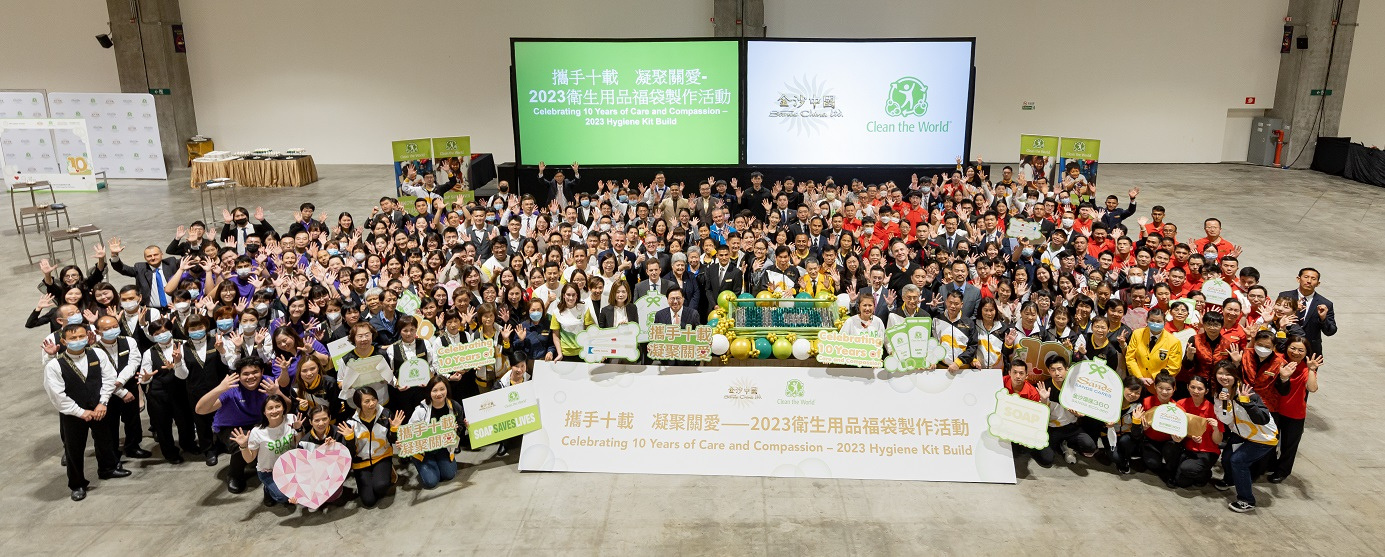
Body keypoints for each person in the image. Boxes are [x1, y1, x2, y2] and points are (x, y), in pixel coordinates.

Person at [44, 323, 128, 501]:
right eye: (73, 338)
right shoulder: (55, 365)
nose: (78, 340)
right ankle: (77, 484)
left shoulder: (97, 353)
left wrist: (103, 403)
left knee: (105, 439)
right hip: (73, 414)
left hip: (99, 407)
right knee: (74, 448)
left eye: (81, 336)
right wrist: (80, 412)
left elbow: (109, 378)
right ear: (64, 341)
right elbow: (57, 395)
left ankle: (108, 469)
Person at [195, 357, 281, 494]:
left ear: (262, 371)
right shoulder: (231, 388)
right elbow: (200, 410)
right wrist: (220, 388)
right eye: (245, 374)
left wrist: (277, 392)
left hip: (258, 424)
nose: (251, 376)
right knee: (243, 442)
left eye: (255, 372)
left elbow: (286, 407)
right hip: (230, 426)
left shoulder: (268, 383)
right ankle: (234, 474)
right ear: (238, 375)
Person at [1211, 360, 1279, 513]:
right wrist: (1225, 402)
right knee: (1227, 457)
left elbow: (1262, 419)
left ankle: (1247, 500)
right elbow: (1225, 420)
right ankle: (1230, 480)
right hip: (1241, 433)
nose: (1224, 377)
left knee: (1238, 461)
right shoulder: (1219, 394)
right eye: (1220, 373)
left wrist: (1246, 403)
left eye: (1228, 374)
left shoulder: (1248, 392)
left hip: (1263, 438)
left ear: (1235, 376)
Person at [227, 394, 300, 507]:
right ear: (264, 412)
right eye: (270, 408)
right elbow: (249, 458)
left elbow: (298, 443)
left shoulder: (291, 419)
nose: (274, 411)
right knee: (284, 497)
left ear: (284, 408)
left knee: (300, 492)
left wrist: (299, 429)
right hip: (268, 471)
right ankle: (268, 489)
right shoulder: (258, 431)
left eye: (278, 406)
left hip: (289, 467)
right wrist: (243, 446)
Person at [337, 386, 403, 508]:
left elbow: (393, 441)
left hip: (382, 456)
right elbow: (349, 454)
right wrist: (349, 439)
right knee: (369, 501)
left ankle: (389, 471)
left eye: (374, 399)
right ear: (359, 404)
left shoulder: (386, 414)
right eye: (366, 401)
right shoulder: (350, 423)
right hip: (360, 463)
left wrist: (394, 429)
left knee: (381, 487)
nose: (372, 403)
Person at [1268, 335, 1321, 483]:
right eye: (1293, 348)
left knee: (1289, 445)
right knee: (1270, 441)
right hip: (1275, 409)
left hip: (1294, 413)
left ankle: (1282, 471)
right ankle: (1269, 465)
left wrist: (1311, 370)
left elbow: (1312, 387)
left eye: (1300, 350)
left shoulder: (1306, 369)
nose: (1296, 352)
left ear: (1306, 353)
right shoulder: (1278, 360)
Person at [1035, 355, 1096, 467]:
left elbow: (1084, 408)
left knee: (1090, 446)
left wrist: (1079, 415)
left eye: (1060, 369)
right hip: (1052, 428)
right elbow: (1039, 415)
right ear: (1048, 371)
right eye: (1053, 370)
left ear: (1067, 369)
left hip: (1071, 427)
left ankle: (1068, 445)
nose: (1057, 373)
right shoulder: (1044, 387)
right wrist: (1043, 400)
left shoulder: (1077, 385)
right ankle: (1058, 445)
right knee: (1047, 459)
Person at [407, 378, 464, 490]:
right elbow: (410, 432)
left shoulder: (454, 406)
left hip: (443, 447)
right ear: (429, 392)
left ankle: (440, 462)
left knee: (449, 475)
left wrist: (456, 430)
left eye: (442, 389)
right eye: (434, 390)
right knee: (431, 482)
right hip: (425, 451)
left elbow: (460, 424)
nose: (439, 394)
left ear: (447, 389)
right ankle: (419, 462)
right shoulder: (420, 410)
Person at [1171, 375, 1222, 488]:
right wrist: (1187, 436)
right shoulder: (1181, 403)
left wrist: (1216, 428)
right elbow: (1176, 427)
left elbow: (1218, 440)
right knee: (1181, 482)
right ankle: (1193, 470)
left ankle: (1205, 474)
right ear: (1187, 387)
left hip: (1207, 451)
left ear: (1206, 391)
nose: (1196, 391)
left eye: (1200, 389)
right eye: (1192, 387)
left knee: (1187, 469)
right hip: (1188, 448)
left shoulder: (1213, 409)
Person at [107, 238, 182, 310]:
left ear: (162, 254)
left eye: (156, 255)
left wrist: (193, 245)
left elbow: (190, 259)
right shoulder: (140, 268)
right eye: (149, 256)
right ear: (145, 258)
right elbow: (122, 269)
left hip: (174, 307)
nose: (153, 258)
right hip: (150, 310)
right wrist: (114, 255)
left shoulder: (171, 263)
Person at [1134, 371, 1180, 487]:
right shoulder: (1146, 401)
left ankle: (1171, 471)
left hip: (1168, 442)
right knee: (1153, 464)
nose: (1164, 392)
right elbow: (1137, 426)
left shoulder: (1178, 408)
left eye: (1168, 389)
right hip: (1150, 440)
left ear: (1174, 389)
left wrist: (1179, 438)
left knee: (1172, 449)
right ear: (1155, 387)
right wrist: (1142, 427)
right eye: (1160, 388)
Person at [1277, 268, 1335, 357]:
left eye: (1313, 279)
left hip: (1310, 352)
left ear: (1318, 284)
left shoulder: (1325, 304)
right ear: (1298, 279)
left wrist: (1323, 318)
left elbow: (1330, 331)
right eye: (1306, 277)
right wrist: (1293, 309)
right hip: (1285, 347)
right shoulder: (1285, 296)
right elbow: (1275, 318)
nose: (1309, 281)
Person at [1124, 308, 1183, 391]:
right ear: (1147, 320)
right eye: (1152, 320)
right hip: (1136, 384)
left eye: (1159, 321)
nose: (1155, 323)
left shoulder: (1174, 342)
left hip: (1159, 387)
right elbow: (1130, 358)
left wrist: (1154, 378)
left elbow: (1174, 367)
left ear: (1165, 322)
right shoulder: (1137, 334)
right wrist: (1139, 377)